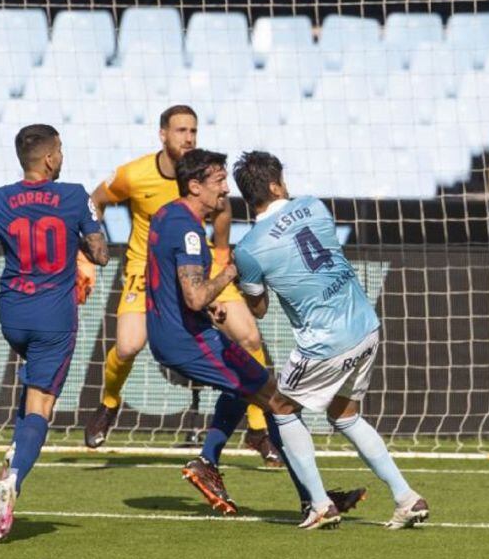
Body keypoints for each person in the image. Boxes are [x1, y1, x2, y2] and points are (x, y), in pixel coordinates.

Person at [146, 148, 361, 528]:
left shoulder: (166, 214)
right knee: (280, 403)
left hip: (180, 330)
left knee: (250, 391)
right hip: (186, 340)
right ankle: (314, 500)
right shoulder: (189, 227)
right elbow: (195, 294)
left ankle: (218, 465)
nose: (225, 190)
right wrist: (232, 270)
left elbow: (182, 291)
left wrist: (204, 308)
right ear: (194, 186)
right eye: (217, 182)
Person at [231, 150, 429, 530]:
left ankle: (320, 505)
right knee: (345, 414)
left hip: (326, 341)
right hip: (365, 325)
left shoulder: (250, 249)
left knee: (280, 407)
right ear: (275, 184)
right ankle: (406, 497)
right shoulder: (314, 207)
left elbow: (257, 308)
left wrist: (237, 279)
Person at [80, 105, 281, 467]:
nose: (188, 138)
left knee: (248, 335)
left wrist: (221, 258)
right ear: (163, 135)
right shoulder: (133, 174)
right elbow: (95, 202)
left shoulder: (206, 177)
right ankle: (109, 403)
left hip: (197, 266)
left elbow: (221, 215)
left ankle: (257, 429)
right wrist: (87, 256)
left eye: (193, 131)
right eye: (180, 131)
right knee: (127, 345)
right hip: (147, 270)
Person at [0, 124, 109, 541]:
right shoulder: (73, 195)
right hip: (54, 316)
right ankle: (14, 476)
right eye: (61, 151)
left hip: (12, 315)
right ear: (51, 159)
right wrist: (84, 236)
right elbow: (102, 255)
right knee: (41, 408)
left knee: (32, 384)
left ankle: (15, 451)